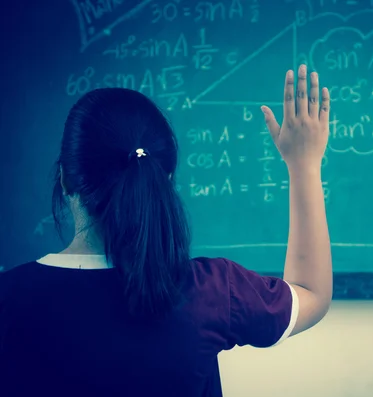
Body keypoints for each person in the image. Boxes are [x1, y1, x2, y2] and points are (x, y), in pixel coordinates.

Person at [0, 65, 333, 397]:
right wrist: (303, 164)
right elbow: (311, 293)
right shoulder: (212, 291)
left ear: (65, 180)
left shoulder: (9, 298)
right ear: (167, 180)